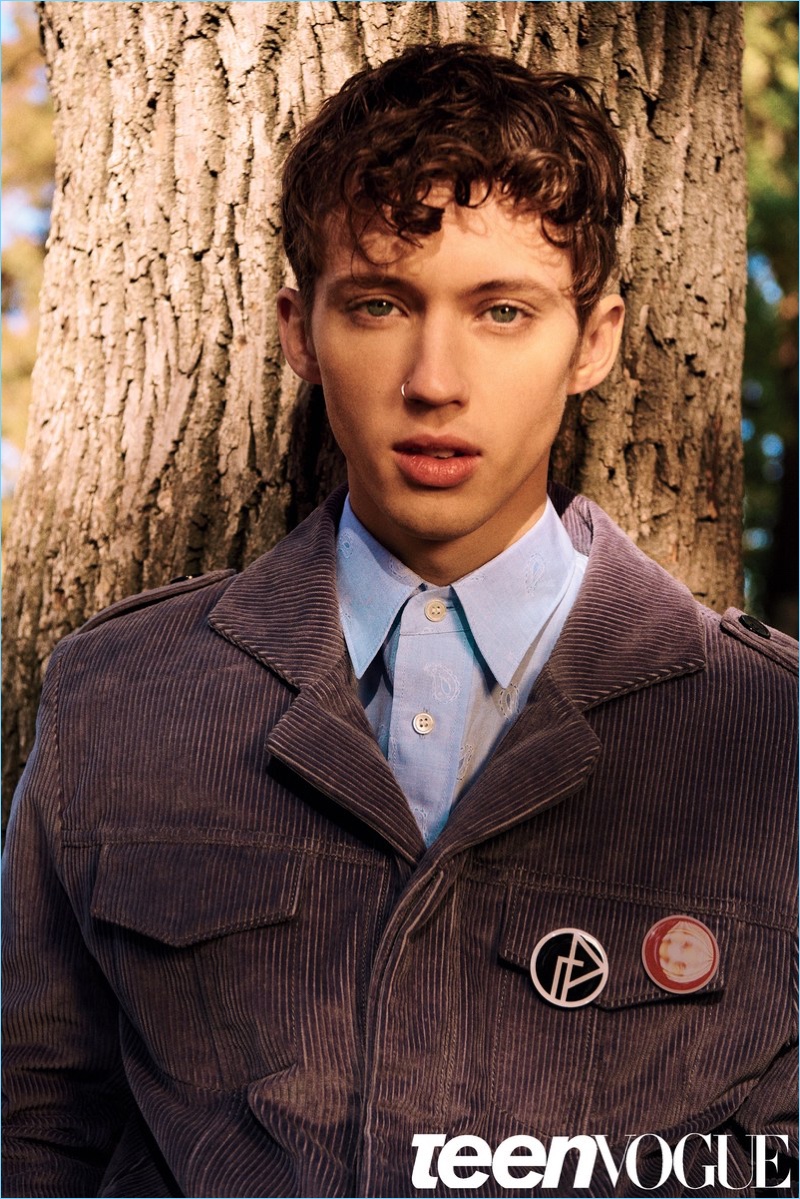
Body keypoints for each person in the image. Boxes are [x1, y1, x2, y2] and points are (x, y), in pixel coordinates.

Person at [3, 41, 796, 1199]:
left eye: (501, 311)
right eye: (378, 304)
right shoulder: (119, 699)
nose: (434, 376)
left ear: (594, 340)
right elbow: (33, 1136)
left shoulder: (765, 737)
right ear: (298, 329)